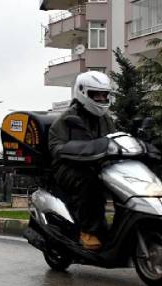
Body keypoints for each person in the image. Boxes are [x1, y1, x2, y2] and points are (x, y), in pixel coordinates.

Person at [48, 71, 117, 251]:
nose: (102, 98)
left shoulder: (106, 119)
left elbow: (115, 139)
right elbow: (56, 147)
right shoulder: (66, 120)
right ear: (83, 93)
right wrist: (73, 149)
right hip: (68, 168)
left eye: (104, 95)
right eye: (97, 94)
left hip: (98, 166)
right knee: (91, 183)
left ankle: (117, 229)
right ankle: (88, 232)